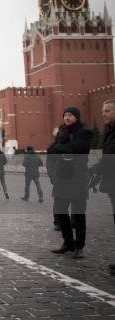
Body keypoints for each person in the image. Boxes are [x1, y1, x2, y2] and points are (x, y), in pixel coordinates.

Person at [47, 106, 92, 259]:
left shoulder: (84, 131)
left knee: (78, 213)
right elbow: (51, 149)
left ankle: (79, 246)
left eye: (70, 115)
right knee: (60, 210)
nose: (67, 118)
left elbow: (80, 147)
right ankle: (68, 243)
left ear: (77, 117)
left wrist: (59, 148)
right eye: (65, 115)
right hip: (62, 176)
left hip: (78, 176)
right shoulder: (61, 131)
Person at [89, 99, 115, 273]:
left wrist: (93, 170)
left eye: (107, 110)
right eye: (103, 110)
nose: (103, 113)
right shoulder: (110, 131)